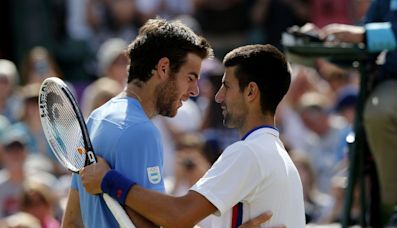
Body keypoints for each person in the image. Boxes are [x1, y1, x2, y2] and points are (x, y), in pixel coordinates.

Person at [80, 44, 305, 227]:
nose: (218, 97)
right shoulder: (281, 158)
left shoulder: (248, 152)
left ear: (251, 91)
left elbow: (178, 216)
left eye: (226, 86)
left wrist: (108, 180)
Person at [61, 18, 213, 227]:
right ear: (163, 68)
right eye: (190, 77)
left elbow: (70, 222)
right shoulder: (141, 131)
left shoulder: (96, 117)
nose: (195, 90)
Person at [319, 0, 397, 225]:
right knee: (378, 112)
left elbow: (365, 35)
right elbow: (364, 44)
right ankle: (393, 207)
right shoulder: (384, 3)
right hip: (394, 82)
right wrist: (328, 42)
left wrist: (363, 35)